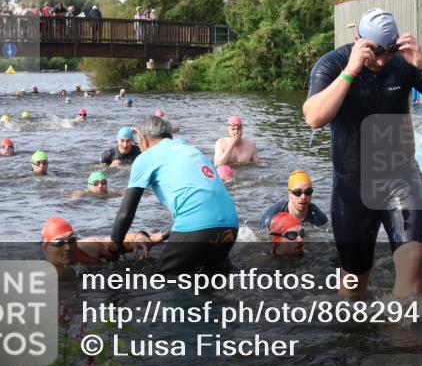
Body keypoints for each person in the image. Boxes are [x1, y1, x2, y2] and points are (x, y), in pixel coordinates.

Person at [302, 8, 422, 299]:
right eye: (375, 51)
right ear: (357, 40)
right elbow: (313, 118)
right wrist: (351, 71)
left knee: (412, 267)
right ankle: (357, 338)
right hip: (353, 187)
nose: (382, 59)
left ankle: (406, 342)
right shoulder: (333, 64)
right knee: (353, 284)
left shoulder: (404, 63)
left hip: (401, 179)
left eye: (388, 51)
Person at [110, 115, 239, 273]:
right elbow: (199, 200)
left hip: (198, 228)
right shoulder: (192, 150)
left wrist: (115, 244)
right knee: (212, 284)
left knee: (166, 284)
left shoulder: (146, 157)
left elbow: (126, 212)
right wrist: (166, 235)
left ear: (143, 139)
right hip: (231, 226)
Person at [40, 216, 165, 270]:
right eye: (59, 242)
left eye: (72, 240)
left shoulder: (88, 248)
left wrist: (140, 237)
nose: (67, 247)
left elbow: (115, 243)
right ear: (45, 247)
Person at [259, 170, 328, 230]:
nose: (303, 197)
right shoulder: (270, 219)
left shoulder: (319, 218)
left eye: (308, 192)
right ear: (289, 194)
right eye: (298, 192)